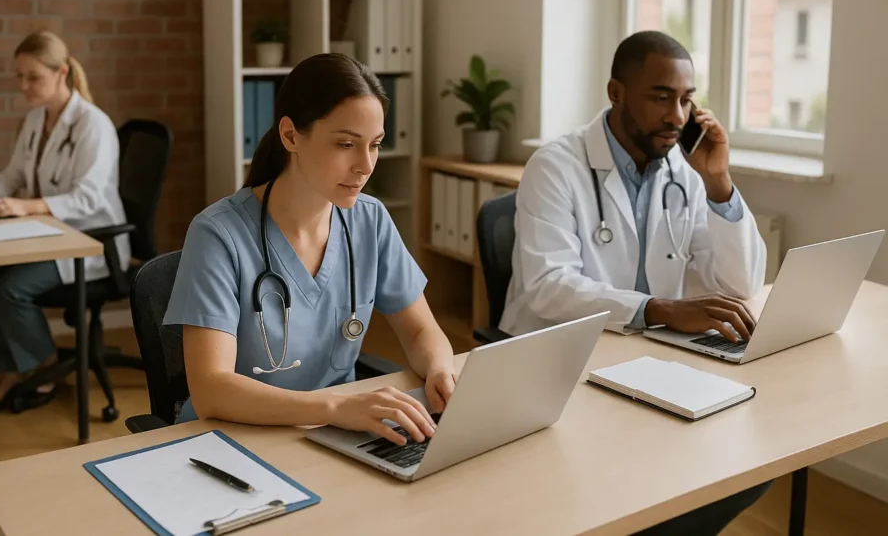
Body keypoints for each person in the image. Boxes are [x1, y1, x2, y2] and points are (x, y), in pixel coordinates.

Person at [501, 30, 769, 534]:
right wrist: (660, 309)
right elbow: (548, 285)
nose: (677, 116)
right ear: (616, 92)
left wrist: (719, 183)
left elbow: (741, 281)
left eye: (687, 99)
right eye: (661, 96)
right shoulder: (556, 167)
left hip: (647, 360)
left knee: (745, 464)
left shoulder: (685, 174)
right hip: (559, 360)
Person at [163, 53, 456, 446]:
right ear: (290, 136)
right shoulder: (218, 235)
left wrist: (440, 368)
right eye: (346, 144)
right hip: (234, 440)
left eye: (375, 145)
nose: (365, 165)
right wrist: (334, 409)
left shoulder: (369, 220)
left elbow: (421, 329)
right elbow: (212, 389)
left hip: (334, 438)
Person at [0, 30, 129, 415]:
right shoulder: (36, 119)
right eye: (19, 76)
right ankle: (17, 369)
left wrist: (27, 207)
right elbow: (14, 176)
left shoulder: (93, 125)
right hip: (49, 236)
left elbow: (88, 198)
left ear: (61, 72)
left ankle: (45, 367)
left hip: (91, 242)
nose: (24, 85)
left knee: (9, 290)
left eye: (33, 76)